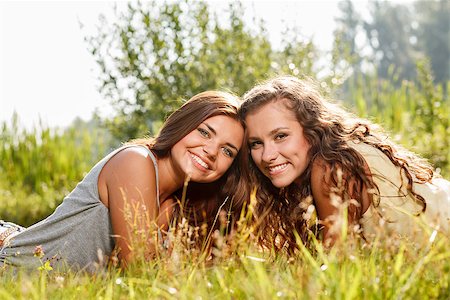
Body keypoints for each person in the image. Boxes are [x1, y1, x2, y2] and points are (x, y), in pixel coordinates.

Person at [0, 91, 248, 272]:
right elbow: (141, 269)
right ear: (183, 123)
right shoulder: (135, 161)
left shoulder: (173, 207)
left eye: (227, 151)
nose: (212, 151)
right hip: (11, 269)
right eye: (204, 132)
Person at [239, 75, 450, 250]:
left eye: (280, 136)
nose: (267, 155)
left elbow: (335, 267)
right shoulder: (335, 151)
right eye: (256, 143)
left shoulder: (331, 167)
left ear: (312, 130)